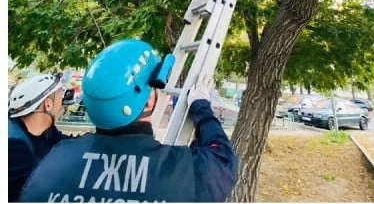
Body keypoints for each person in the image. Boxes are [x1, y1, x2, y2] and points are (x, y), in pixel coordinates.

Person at [18, 39, 239, 202]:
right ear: (149, 101)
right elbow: (221, 156)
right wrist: (201, 104)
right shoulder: (184, 173)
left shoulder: (50, 162)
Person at [8, 74, 74, 202]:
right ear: (48, 105)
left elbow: (72, 145)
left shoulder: (47, 132)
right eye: (60, 97)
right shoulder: (13, 147)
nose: (63, 105)